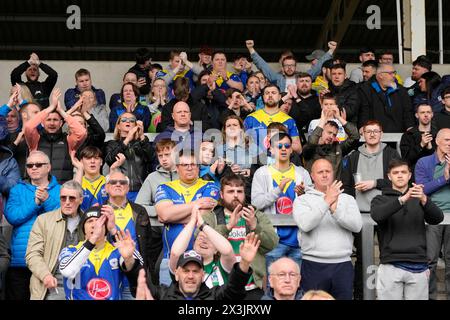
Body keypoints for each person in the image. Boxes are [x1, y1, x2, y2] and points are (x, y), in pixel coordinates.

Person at [371, 159, 443, 300]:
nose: (399, 175)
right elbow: (378, 215)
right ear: (389, 176)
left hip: (418, 263)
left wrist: (424, 198)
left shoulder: (419, 198)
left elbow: (437, 218)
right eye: (395, 172)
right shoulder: (380, 199)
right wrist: (402, 199)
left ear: (410, 176)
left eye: (403, 172)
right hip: (390, 264)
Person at [293, 158, 362, 300]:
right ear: (312, 176)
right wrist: (326, 202)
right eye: (320, 172)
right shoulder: (302, 200)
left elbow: (357, 226)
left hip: (342, 264)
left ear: (333, 174)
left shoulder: (348, 199)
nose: (324, 175)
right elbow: (306, 224)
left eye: (327, 171)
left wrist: (336, 211)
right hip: (313, 264)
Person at [202, 174, 279, 299]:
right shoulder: (210, 216)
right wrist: (227, 227)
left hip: (252, 287)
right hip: (221, 287)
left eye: (239, 191)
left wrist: (255, 226)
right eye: (230, 191)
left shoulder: (256, 215)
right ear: (221, 194)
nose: (236, 195)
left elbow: (272, 244)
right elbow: (202, 244)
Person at [252, 132, 312, 283]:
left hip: (298, 241)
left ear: (292, 150)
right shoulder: (262, 173)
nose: (283, 149)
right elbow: (256, 203)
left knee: (295, 287)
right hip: (273, 242)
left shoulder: (302, 173)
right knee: (273, 287)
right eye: (279, 146)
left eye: (287, 146)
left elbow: (312, 205)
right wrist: (277, 190)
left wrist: (304, 195)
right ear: (271, 149)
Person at [154, 150, 220, 286]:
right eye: (184, 165)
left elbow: (205, 216)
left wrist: (173, 216)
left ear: (198, 167)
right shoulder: (165, 187)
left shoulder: (210, 186)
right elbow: (164, 214)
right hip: (171, 260)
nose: (189, 168)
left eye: (193, 164)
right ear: (177, 168)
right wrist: (196, 205)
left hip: (203, 261)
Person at [130, 233, 260, 300]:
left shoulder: (215, 296)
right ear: (176, 274)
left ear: (203, 275)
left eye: (196, 271)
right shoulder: (163, 295)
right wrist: (128, 259)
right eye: (186, 271)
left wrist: (245, 263)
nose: (190, 276)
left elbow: (235, 289)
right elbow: (139, 284)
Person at [4, 151, 61, 300]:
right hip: (21, 261)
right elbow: (12, 216)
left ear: (48, 167)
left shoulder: (60, 190)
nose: (33, 168)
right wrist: (35, 203)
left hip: (50, 262)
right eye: (30, 165)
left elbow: (64, 217)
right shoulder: (17, 190)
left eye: (38, 164)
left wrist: (47, 200)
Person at [58, 206, 141, 300]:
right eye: (90, 221)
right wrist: (92, 239)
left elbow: (140, 272)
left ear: (105, 229)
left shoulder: (116, 251)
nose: (94, 225)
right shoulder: (70, 250)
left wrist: (113, 230)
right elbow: (67, 271)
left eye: (99, 221)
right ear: (83, 229)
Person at [25, 180, 85, 300]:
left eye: (72, 198)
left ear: (81, 199)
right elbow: (32, 254)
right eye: (63, 198)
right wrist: (45, 275)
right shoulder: (43, 220)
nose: (67, 202)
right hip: (52, 287)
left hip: (82, 287)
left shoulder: (89, 222)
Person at [102, 171, 152, 299]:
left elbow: (149, 245)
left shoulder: (139, 211)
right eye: (113, 182)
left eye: (122, 182)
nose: (118, 185)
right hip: (107, 278)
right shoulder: (99, 212)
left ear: (128, 188)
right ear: (106, 187)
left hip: (133, 280)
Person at [135, 139, 178, 284]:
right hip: (157, 227)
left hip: (179, 226)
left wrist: (174, 211)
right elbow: (139, 205)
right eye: (160, 156)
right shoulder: (152, 178)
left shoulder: (185, 173)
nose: (164, 159)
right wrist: (160, 210)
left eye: (168, 154)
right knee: (154, 267)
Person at [24, 88, 87, 184]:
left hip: (62, 191)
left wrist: (61, 111)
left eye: (55, 120)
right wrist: (50, 107)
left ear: (61, 123)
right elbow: (28, 127)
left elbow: (82, 132)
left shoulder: (68, 140)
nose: (52, 123)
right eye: (48, 120)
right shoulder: (35, 139)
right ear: (42, 122)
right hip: (38, 190)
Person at [415, 128, 450, 300]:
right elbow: (421, 189)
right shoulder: (424, 162)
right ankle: (430, 297)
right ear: (437, 141)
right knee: (430, 261)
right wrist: (444, 178)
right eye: (447, 140)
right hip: (432, 217)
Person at [170, 204, 236, 288]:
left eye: (209, 239)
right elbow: (175, 253)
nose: (204, 241)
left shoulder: (222, 267)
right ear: (193, 244)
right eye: (200, 238)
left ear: (217, 249)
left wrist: (203, 225)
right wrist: (192, 221)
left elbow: (228, 251)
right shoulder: (182, 266)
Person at [246, 40, 337, 91]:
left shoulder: (303, 77)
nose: (289, 67)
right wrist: (251, 49)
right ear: (283, 67)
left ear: (295, 66)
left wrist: (331, 51)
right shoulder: (277, 78)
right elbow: (263, 66)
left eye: (292, 65)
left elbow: (318, 66)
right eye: (286, 65)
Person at [104, 112, 154, 202]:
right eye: (124, 120)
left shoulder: (141, 143)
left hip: (141, 191)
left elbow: (151, 157)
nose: (128, 122)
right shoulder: (112, 144)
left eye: (132, 120)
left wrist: (142, 135)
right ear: (118, 126)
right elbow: (109, 160)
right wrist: (127, 140)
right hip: (120, 190)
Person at [303, 107, 359, 180]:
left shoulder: (338, 148)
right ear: (321, 131)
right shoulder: (309, 148)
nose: (331, 136)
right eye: (329, 132)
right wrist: (322, 121)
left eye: (334, 135)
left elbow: (355, 136)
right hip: (314, 189)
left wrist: (339, 118)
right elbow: (312, 142)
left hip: (334, 189)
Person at [244, 84, 302, 154]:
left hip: (281, 161)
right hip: (256, 162)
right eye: (267, 93)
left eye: (274, 93)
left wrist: (280, 143)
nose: (270, 95)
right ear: (263, 97)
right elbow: (241, 144)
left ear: (279, 97)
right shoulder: (251, 118)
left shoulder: (289, 120)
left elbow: (298, 149)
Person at [358, 63, 415, 133]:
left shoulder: (401, 90)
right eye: (390, 73)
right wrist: (364, 127)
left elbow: (408, 112)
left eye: (394, 73)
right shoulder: (366, 90)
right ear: (380, 75)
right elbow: (364, 112)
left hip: (399, 136)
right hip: (375, 135)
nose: (394, 76)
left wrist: (410, 127)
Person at [70, 146, 109, 212]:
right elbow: (73, 198)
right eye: (88, 158)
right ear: (81, 162)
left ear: (101, 162)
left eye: (96, 158)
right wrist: (80, 169)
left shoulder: (108, 182)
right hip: (82, 221)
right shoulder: (77, 182)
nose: (92, 161)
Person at [400, 104, 437, 169]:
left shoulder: (438, 135)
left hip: (435, 174)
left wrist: (430, 149)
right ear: (417, 115)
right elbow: (406, 160)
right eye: (422, 112)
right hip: (414, 174)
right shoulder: (408, 135)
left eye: (428, 112)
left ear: (432, 114)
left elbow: (441, 160)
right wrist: (421, 145)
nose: (426, 115)